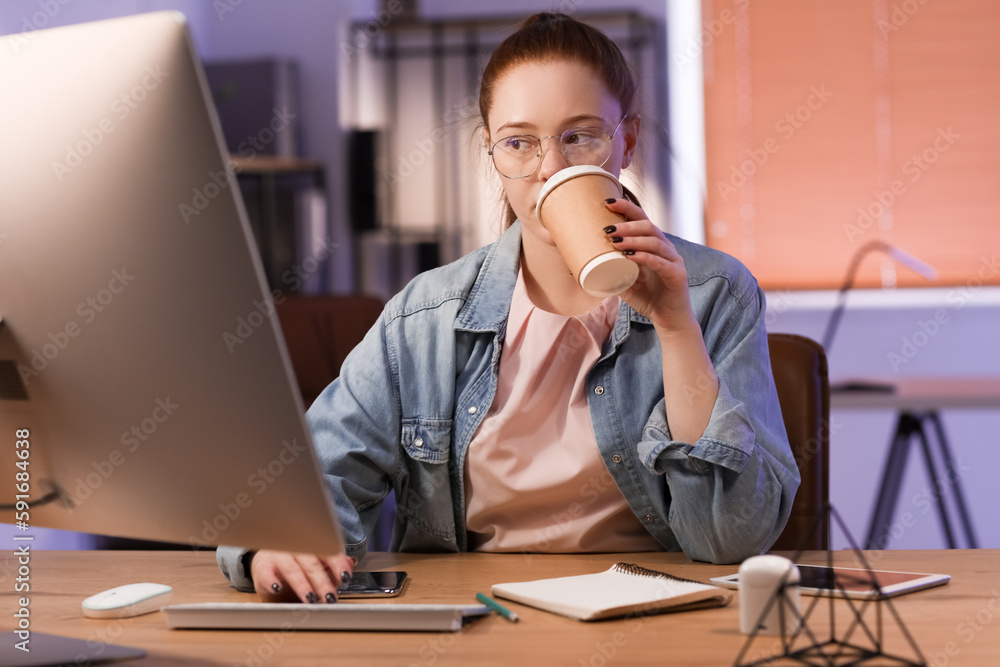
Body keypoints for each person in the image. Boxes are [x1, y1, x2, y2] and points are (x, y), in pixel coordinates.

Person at [217, 12, 798, 604]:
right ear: (493, 154)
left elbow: (732, 538)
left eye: (580, 136)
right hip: (474, 618)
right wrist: (279, 542)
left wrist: (676, 328)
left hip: (656, 615)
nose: (550, 168)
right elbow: (312, 478)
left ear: (627, 140)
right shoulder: (426, 317)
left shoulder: (714, 292)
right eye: (519, 142)